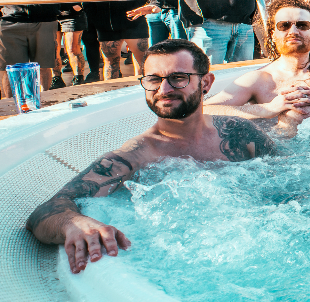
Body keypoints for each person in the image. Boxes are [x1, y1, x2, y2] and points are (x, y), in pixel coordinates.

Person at [25, 39, 277, 274]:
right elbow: (46, 212)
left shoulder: (239, 131)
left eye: (178, 78)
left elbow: (289, 172)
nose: (164, 89)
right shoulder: (133, 157)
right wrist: (73, 223)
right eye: (154, 79)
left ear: (206, 83)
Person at [205, 0, 310, 135]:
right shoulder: (258, 79)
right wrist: (268, 109)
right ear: (273, 35)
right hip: (279, 157)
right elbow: (204, 109)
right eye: (284, 25)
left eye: (302, 25)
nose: (293, 31)